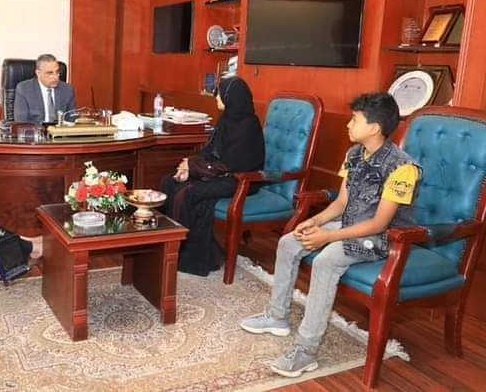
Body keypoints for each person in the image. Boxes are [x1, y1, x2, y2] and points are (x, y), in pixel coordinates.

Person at [239, 92, 421, 378]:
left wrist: (327, 237)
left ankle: (307, 350)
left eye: (354, 119)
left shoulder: (403, 168)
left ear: (374, 127)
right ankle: (277, 316)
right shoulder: (354, 154)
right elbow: (341, 203)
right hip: (350, 224)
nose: (348, 124)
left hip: (383, 237)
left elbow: (379, 224)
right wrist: (314, 222)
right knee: (289, 242)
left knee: (326, 260)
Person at [160, 77, 265, 276]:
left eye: (220, 93)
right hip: (219, 173)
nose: (216, 97)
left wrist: (193, 167)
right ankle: (167, 248)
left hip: (241, 179)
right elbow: (210, 152)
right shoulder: (227, 118)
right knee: (169, 182)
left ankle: (187, 256)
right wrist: (189, 164)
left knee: (189, 192)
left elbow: (232, 165)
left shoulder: (247, 126)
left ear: (230, 96)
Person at [13, 53, 76, 124]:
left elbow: (72, 120)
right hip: (35, 130)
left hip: (60, 130)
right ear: (38, 73)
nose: (55, 77)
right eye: (50, 73)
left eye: (57, 72)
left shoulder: (67, 89)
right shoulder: (24, 89)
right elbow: (21, 123)